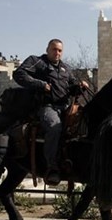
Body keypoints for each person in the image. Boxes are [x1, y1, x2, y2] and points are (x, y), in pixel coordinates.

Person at [13, 39, 88, 185]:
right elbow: (19, 74)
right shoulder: (37, 62)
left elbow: (72, 86)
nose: (57, 53)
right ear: (47, 49)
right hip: (47, 107)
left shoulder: (65, 68)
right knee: (55, 127)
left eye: (60, 50)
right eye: (54, 49)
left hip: (65, 107)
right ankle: (51, 167)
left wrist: (79, 86)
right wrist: (40, 84)